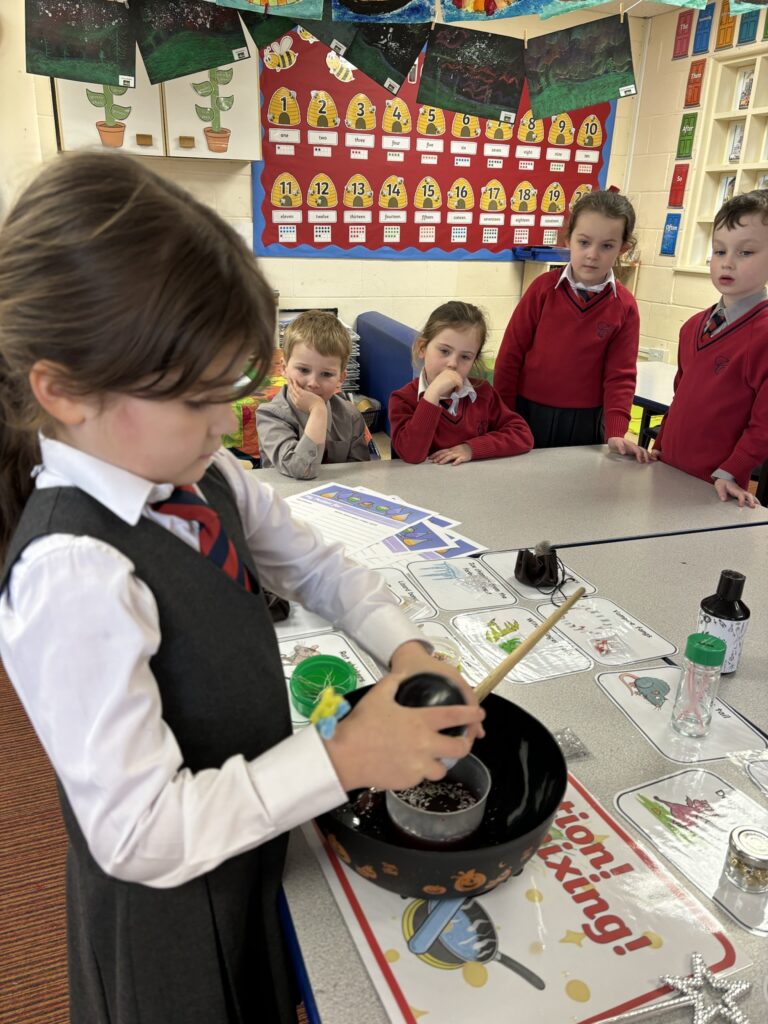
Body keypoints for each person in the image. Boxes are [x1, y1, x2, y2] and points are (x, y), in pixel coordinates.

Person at [0, 151, 484, 1024]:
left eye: (231, 390)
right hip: (169, 919)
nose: (226, 423)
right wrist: (343, 759)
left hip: (246, 838)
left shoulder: (197, 463)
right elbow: (143, 835)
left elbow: (312, 561)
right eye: (197, 399)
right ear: (66, 391)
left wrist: (406, 647)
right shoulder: (71, 575)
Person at [494, 190, 649, 459]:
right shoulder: (542, 290)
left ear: (623, 249)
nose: (592, 254)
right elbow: (510, 355)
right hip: (528, 413)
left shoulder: (624, 306)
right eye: (584, 242)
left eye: (607, 246)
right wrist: (503, 413)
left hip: (586, 422)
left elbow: (620, 375)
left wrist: (615, 431)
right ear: (568, 240)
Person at [650, 189, 768, 507]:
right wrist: (660, 445)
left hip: (715, 488)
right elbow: (680, 399)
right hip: (667, 473)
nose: (727, 262)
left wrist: (731, 472)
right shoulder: (692, 327)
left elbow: (764, 424)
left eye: (746, 253)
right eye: (719, 251)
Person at [388, 301, 533, 465]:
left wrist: (471, 449)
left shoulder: (484, 393)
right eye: (444, 351)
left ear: (474, 360)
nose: (453, 363)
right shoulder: (402, 399)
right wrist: (432, 395)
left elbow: (522, 434)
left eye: (465, 357)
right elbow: (411, 454)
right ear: (422, 348)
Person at [257, 309, 369, 478]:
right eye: (303, 370)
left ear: (341, 378)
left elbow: (359, 473)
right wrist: (318, 411)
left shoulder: (351, 416)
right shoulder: (270, 415)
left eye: (326, 374)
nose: (313, 383)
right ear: (284, 369)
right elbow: (301, 469)